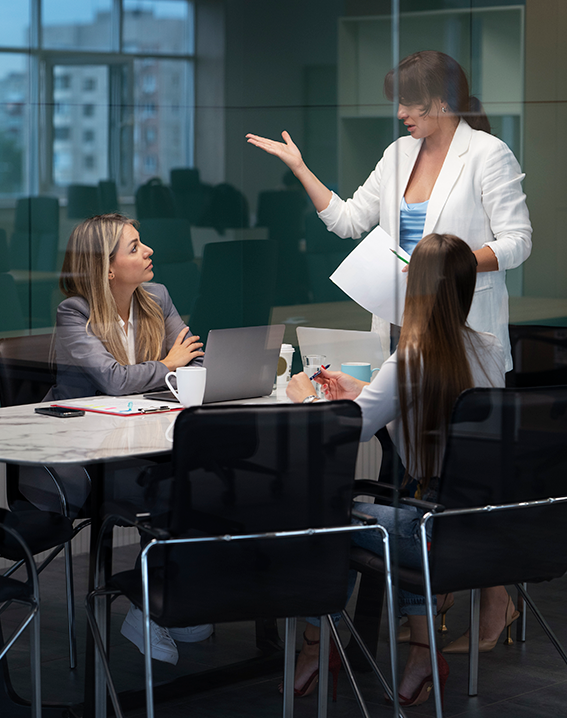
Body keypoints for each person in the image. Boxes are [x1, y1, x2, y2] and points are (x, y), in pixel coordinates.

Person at [286, 234, 513, 706]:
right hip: (484, 530)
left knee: (334, 517)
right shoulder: (490, 348)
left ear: (415, 286)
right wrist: (365, 390)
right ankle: (421, 654)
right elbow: (436, 405)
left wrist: (305, 398)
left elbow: (350, 430)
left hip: (430, 535)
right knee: (405, 505)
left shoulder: (412, 356)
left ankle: (315, 644)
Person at [246, 50, 532, 371]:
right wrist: (300, 168)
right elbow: (347, 221)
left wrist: (454, 262)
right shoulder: (398, 153)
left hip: (459, 322)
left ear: (442, 100)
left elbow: (518, 242)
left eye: (409, 103)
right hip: (398, 325)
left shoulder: (488, 153)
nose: (400, 113)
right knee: (394, 403)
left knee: (452, 403)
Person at [41, 213, 211, 664]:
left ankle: (170, 596)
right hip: (87, 456)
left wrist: (174, 365)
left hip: (145, 441)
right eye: (134, 247)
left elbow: (195, 363)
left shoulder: (157, 297)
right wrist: (168, 365)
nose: (148, 250)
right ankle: (147, 607)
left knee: (209, 480)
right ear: (107, 268)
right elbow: (114, 381)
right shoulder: (75, 312)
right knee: (176, 490)